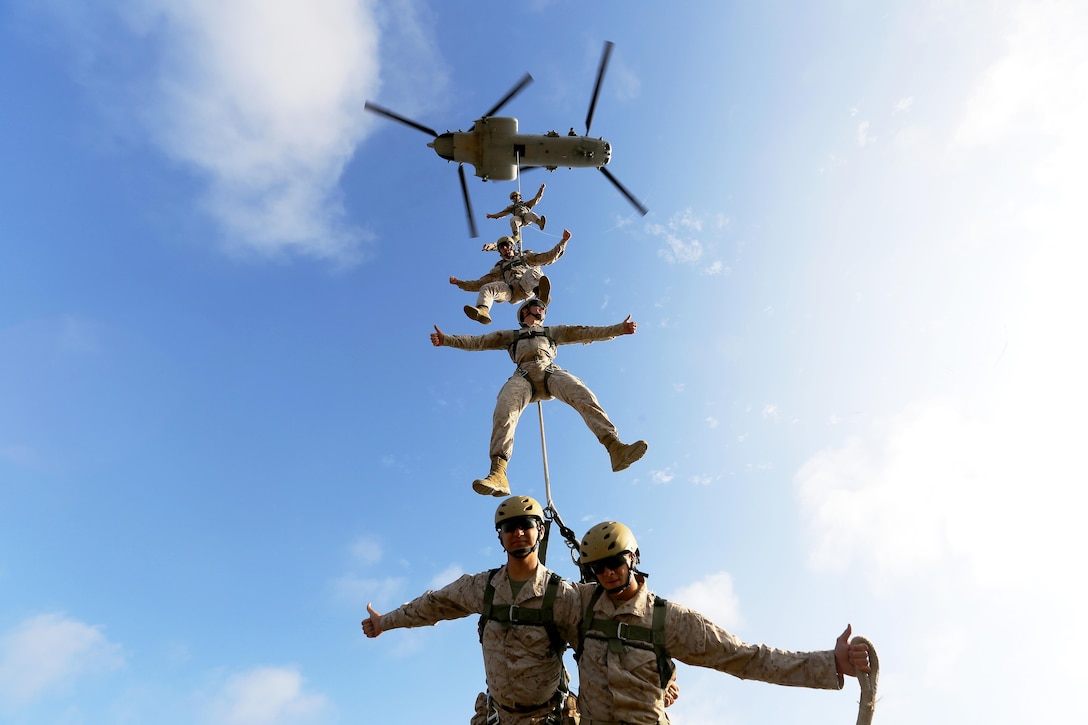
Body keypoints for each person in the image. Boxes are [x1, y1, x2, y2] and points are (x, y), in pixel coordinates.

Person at [573, 521, 873, 724]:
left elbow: (746, 658)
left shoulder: (670, 620)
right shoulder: (580, 607)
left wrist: (831, 662)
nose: (608, 573)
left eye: (614, 563)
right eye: (598, 568)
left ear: (633, 558)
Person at [362, 496, 582, 724]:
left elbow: (597, 650)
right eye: (509, 527)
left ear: (541, 531)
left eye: (526, 524)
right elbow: (433, 605)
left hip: (549, 716)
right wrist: (384, 622)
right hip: (497, 717)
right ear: (500, 536)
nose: (518, 533)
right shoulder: (483, 587)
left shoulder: (563, 596)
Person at [430, 299, 648, 497]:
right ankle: (498, 473)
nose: (543, 310)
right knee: (504, 409)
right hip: (523, 376)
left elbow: (585, 332)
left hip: (549, 372)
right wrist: (447, 339)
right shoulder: (511, 336)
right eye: (539, 307)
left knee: (583, 394)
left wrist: (619, 329)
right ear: (525, 311)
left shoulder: (552, 332)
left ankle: (615, 448)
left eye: (544, 309)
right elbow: (479, 341)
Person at [451, 230, 571, 324]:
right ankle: (483, 311)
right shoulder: (500, 267)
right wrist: (460, 283)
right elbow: (480, 283)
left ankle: (541, 295)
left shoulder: (525, 257)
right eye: (501, 248)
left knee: (532, 271)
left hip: (526, 284)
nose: (505, 249)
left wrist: (563, 242)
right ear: (499, 252)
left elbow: (546, 257)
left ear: (512, 246)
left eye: (506, 245)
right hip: (511, 292)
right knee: (487, 288)